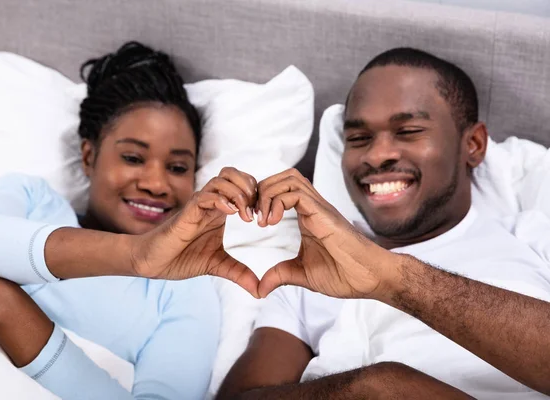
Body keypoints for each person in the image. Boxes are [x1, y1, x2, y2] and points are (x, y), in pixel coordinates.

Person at [216, 48, 550, 399]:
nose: (376, 156)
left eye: (408, 131)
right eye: (358, 139)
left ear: (474, 144)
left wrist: (391, 278)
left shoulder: (531, 239)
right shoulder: (304, 275)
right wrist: (360, 390)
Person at [0, 42, 260, 400]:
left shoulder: (183, 287)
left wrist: (2, 308)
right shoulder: (32, 200)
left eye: (177, 168)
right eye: (132, 157)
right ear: (88, 155)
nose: (156, 184)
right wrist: (135, 255)